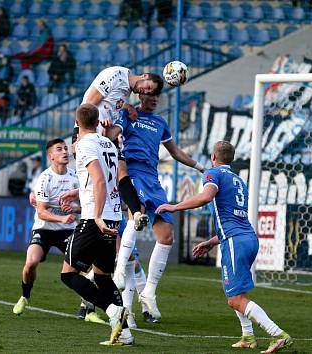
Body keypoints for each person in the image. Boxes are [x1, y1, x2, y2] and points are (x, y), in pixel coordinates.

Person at [155, 141, 293, 353]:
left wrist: (174, 206)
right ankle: (248, 336)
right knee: (238, 293)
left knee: (235, 299)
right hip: (247, 238)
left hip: (235, 241)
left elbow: (206, 196)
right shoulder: (239, 181)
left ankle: (278, 334)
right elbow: (233, 219)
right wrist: (211, 242)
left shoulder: (213, 174)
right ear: (232, 158)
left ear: (213, 157)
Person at [104, 76, 205, 322]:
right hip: (132, 172)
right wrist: (108, 127)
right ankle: (118, 273)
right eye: (149, 95)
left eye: (157, 96)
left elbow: (175, 151)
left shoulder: (160, 122)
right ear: (140, 95)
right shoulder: (128, 115)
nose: (153, 99)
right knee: (135, 213)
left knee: (166, 235)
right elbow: (113, 134)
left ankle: (148, 292)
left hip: (153, 178)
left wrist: (200, 167)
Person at [60, 103, 132, 346]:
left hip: (95, 218)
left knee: (68, 275)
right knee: (102, 276)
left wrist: (97, 216)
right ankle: (125, 333)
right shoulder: (108, 144)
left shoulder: (84, 145)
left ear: (77, 122)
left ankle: (112, 311)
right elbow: (104, 180)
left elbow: (100, 181)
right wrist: (76, 192)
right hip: (112, 216)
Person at [75, 66, 160, 232]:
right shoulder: (115, 75)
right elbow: (88, 104)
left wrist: (127, 107)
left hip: (106, 137)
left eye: (149, 92)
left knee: (121, 172)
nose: (145, 91)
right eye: (148, 87)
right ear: (144, 76)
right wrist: (78, 133)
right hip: (89, 136)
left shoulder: (126, 91)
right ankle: (92, 221)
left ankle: (136, 214)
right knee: (97, 182)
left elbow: (111, 104)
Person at [12, 139, 79, 315]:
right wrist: (62, 218)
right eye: (59, 149)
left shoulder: (75, 177)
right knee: (31, 263)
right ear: (51, 156)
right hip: (44, 228)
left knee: (85, 266)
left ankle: (87, 309)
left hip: (68, 230)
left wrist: (74, 209)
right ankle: (25, 296)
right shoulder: (44, 178)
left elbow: (87, 205)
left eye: (65, 148)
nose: (65, 152)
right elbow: (41, 212)